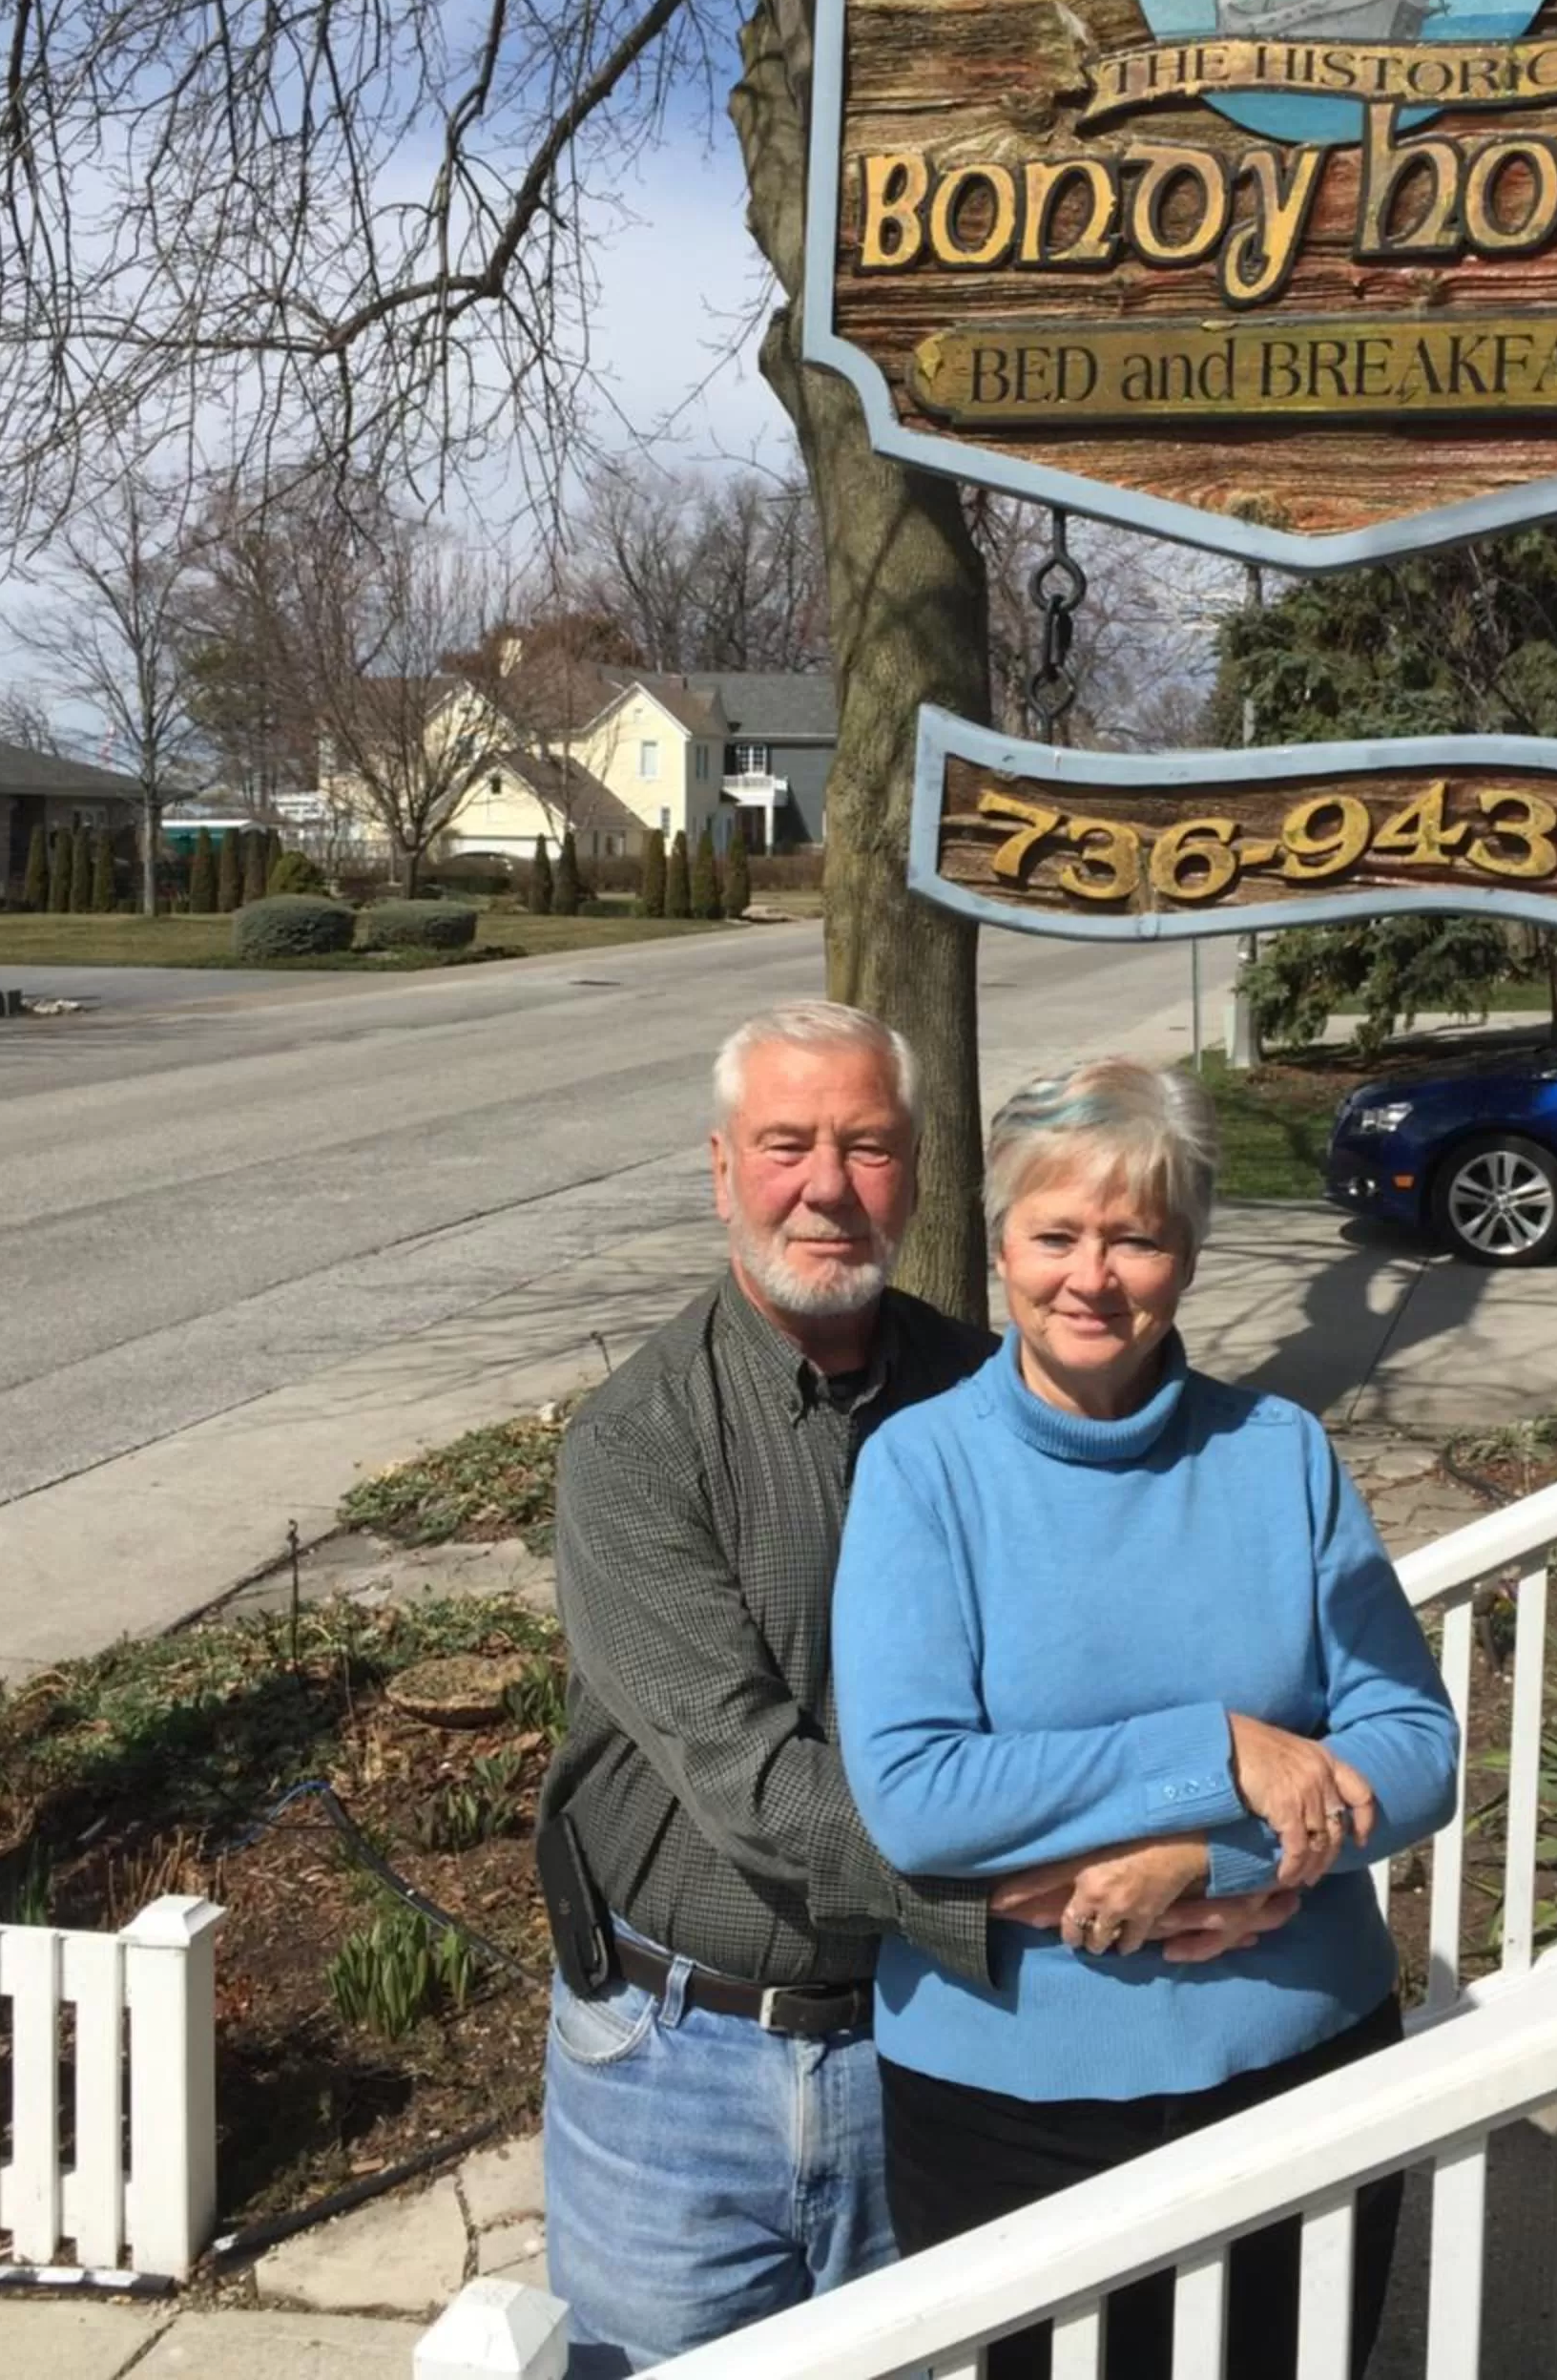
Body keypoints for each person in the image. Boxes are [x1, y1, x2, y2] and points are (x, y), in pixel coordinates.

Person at [536, 1003, 1297, 2374]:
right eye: (785, 1145)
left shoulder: (996, 1390)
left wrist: (1209, 1828)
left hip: (939, 2043)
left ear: (917, 1174)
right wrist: (1026, 1888)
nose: (825, 1185)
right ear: (722, 1170)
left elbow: (1152, 1656)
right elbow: (750, 1781)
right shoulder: (638, 1442)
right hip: (684, 2057)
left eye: (867, 1146)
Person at [834, 1058, 1462, 2380]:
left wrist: (1219, 1857)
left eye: (1135, 1238)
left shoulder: (1277, 1454)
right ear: (999, 1243)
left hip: (1293, 2064)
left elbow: (1410, 1750)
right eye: (1055, 1234)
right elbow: (918, 1796)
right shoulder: (921, 1469)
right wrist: (1216, 1748)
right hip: (1007, 2102)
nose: (1090, 1276)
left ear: (1186, 1252)